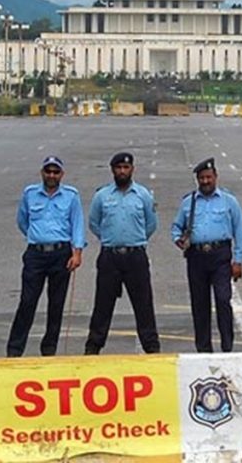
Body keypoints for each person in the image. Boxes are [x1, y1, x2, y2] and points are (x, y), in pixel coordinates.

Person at [6, 156, 85, 357]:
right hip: (36, 254)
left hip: (61, 254)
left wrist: (77, 252)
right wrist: (36, 237)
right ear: (42, 173)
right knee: (27, 302)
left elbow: (77, 224)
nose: (51, 175)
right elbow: (22, 221)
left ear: (62, 174)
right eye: (48, 171)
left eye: (55, 172)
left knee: (56, 304)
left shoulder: (71, 196)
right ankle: (14, 350)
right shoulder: (30, 194)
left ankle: (49, 349)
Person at [84, 152, 160, 355]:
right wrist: (111, 239)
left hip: (136, 255)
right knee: (103, 304)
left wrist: (134, 240)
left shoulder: (143, 195)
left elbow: (151, 224)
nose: (122, 171)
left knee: (143, 303)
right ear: (112, 170)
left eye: (126, 168)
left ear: (132, 169)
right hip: (110, 256)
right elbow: (94, 223)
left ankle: (151, 347)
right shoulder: (102, 196)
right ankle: (93, 346)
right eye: (118, 168)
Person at [171, 158, 242, 353]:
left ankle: (227, 346)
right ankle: (204, 349)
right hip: (196, 257)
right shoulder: (189, 202)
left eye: (208, 177)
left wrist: (237, 261)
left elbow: (240, 231)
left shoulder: (229, 201)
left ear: (216, 177)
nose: (205, 181)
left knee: (223, 300)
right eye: (202, 178)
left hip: (220, 255)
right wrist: (178, 239)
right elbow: (176, 226)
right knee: (200, 304)